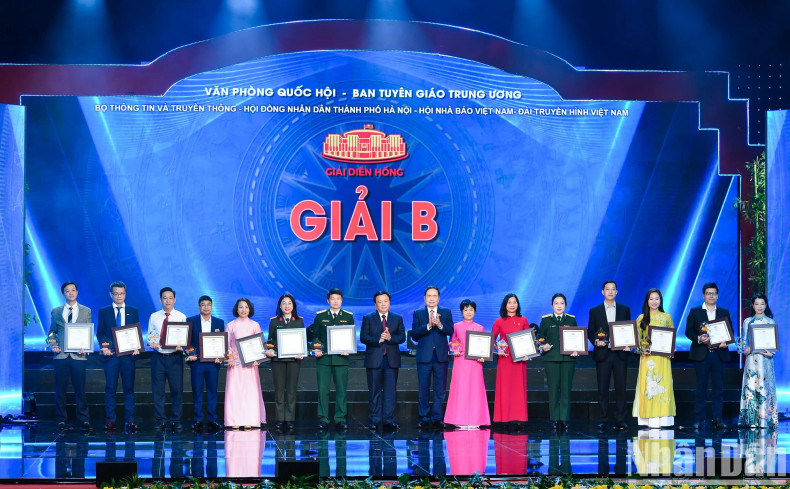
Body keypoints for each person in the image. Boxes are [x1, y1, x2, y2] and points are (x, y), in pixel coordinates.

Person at [684, 282, 732, 430]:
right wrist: (699, 339)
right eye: (708, 293)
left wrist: (726, 341)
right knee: (701, 388)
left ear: (717, 295)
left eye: (714, 293)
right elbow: (688, 331)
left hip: (718, 354)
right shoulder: (695, 311)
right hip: (701, 354)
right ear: (704, 295)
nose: (711, 296)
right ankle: (699, 419)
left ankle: (718, 419)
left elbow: (730, 331)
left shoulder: (724, 312)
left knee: (718, 388)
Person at [96, 280, 140, 432]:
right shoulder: (104, 311)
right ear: (111, 294)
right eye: (116, 293)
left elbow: (136, 332)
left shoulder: (133, 311)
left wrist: (136, 347)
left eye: (121, 293)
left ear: (125, 294)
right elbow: (100, 333)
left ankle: (130, 420)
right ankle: (110, 420)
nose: (119, 296)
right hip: (112, 356)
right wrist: (104, 347)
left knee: (129, 389)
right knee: (110, 389)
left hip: (128, 356)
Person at [48, 281, 92, 431]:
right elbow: (51, 333)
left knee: (80, 389)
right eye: (68, 291)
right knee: (60, 389)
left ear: (77, 292)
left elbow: (88, 332)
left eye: (73, 290)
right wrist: (52, 344)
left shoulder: (86, 311)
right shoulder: (56, 311)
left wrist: (86, 347)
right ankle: (61, 419)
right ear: (63, 293)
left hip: (78, 356)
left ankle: (84, 419)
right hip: (60, 356)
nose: (71, 293)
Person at [588, 280, 632, 431]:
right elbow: (591, 331)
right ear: (603, 292)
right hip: (603, 354)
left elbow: (628, 330)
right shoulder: (595, 310)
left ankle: (621, 419)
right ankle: (603, 419)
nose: (610, 292)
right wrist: (595, 341)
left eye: (613, 289)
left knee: (621, 388)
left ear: (617, 292)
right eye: (607, 289)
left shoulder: (624, 309)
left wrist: (629, 343)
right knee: (602, 389)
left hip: (620, 355)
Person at [308, 288, 353, 431]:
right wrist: (316, 348)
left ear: (342, 301)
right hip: (324, 359)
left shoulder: (348, 316)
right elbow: (315, 336)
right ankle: (323, 418)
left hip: (341, 359)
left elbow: (350, 336)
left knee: (341, 390)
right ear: (328, 301)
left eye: (338, 299)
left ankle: (340, 418)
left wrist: (349, 348)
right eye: (333, 299)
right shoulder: (320, 317)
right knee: (323, 390)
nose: (335, 301)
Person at [360, 290, 405, 431]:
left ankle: (389, 419)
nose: (383, 304)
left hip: (391, 360)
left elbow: (402, 337)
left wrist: (390, 338)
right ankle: (374, 419)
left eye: (385, 301)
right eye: (380, 301)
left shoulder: (397, 318)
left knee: (390, 391)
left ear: (389, 302)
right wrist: (378, 339)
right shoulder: (368, 318)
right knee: (374, 390)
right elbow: (363, 337)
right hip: (374, 359)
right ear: (375, 304)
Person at [411, 286, 454, 430]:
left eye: (434, 296)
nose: (431, 298)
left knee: (440, 389)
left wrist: (440, 325)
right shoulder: (418, 314)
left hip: (441, 356)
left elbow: (451, 330)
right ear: (424, 298)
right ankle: (423, 417)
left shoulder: (446, 312)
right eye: (428, 296)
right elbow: (414, 335)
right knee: (423, 387)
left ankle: (437, 417)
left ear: (439, 298)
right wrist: (428, 326)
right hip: (424, 357)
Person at [632, 288, 675, 428]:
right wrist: (641, 349)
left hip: (663, 359)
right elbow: (637, 340)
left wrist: (671, 349)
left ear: (660, 300)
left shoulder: (667, 317)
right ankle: (649, 420)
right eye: (651, 299)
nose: (654, 301)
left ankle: (663, 420)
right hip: (648, 359)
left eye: (657, 298)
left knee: (664, 386)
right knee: (649, 387)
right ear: (647, 301)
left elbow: (671, 338)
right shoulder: (641, 318)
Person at [445, 299, 490, 429]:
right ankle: (459, 420)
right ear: (462, 312)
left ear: (475, 311)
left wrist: (483, 356)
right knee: (461, 390)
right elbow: (452, 342)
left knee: (475, 390)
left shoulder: (480, 327)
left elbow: (483, 346)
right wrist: (455, 348)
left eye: (471, 310)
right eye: (466, 310)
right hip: (460, 361)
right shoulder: (456, 326)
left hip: (475, 362)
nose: (468, 312)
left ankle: (475, 420)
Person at [147, 286, 187, 431]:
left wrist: (182, 345)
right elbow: (151, 334)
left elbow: (184, 337)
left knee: (177, 390)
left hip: (175, 357)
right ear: (160, 300)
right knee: (158, 390)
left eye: (170, 298)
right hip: (158, 356)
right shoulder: (154, 316)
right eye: (165, 298)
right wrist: (150, 341)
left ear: (174, 300)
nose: (168, 301)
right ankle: (160, 420)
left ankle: (176, 420)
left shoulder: (181, 316)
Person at [537, 293, 578, 432]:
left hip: (568, 359)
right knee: (553, 389)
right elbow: (540, 338)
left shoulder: (571, 320)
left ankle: (564, 418)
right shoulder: (546, 320)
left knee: (566, 389)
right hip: (551, 358)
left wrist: (576, 350)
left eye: (561, 303)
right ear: (552, 305)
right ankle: (554, 419)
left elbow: (576, 338)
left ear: (565, 305)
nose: (559, 306)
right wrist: (543, 346)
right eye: (556, 303)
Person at [265, 293, 305, 431]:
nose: (287, 306)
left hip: (294, 360)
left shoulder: (299, 321)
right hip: (278, 360)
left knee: (291, 391)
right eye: (284, 303)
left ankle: (290, 419)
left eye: (289, 303)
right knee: (279, 391)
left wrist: (302, 352)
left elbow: (302, 341)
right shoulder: (274, 321)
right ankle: (280, 419)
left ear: (293, 306)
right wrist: (269, 350)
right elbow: (270, 341)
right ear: (280, 306)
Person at [185, 295, 225, 432]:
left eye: (208, 304)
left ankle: (213, 420)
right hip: (197, 363)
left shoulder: (219, 322)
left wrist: (221, 356)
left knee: (213, 392)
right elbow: (188, 343)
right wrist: (190, 354)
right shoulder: (191, 321)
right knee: (197, 392)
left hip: (213, 364)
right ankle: (198, 420)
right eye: (203, 304)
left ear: (212, 306)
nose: (206, 307)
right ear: (198, 306)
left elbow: (221, 343)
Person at [225, 298, 266, 430]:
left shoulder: (255, 325)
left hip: (250, 364)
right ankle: (234, 420)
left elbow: (260, 346)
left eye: (246, 307)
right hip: (235, 363)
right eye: (241, 307)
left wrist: (257, 358)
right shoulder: (231, 325)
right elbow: (227, 344)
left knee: (249, 392)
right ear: (236, 309)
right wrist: (230, 357)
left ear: (250, 309)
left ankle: (250, 419)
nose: (243, 310)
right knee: (235, 392)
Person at [738, 293, 778, 429]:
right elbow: (742, 341)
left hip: (766, 360)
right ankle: (752, 420)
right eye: (757, 304)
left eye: (762, 304)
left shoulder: (770, 322)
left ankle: (765, 419)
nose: (759, 306)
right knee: (751, 387)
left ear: (766, 305)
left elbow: (773, 344)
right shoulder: (748, 321)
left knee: (765, 387)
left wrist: (771, 352)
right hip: (752, 361)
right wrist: (745, 349)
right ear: (753, 305)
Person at [490, 293, 528, 430]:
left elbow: (527, 340)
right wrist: (497, 350)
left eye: (514, 302)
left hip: (519, 361)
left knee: (518, 390)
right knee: (505, 389)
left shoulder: (523, 320)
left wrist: (527, 353)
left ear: (518, 305)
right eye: (509, 302)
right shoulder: (499, 321)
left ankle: (519, 419)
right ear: (505, 305)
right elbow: (491, 341)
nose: (512, 305)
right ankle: (504, 419)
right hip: (505, 360)